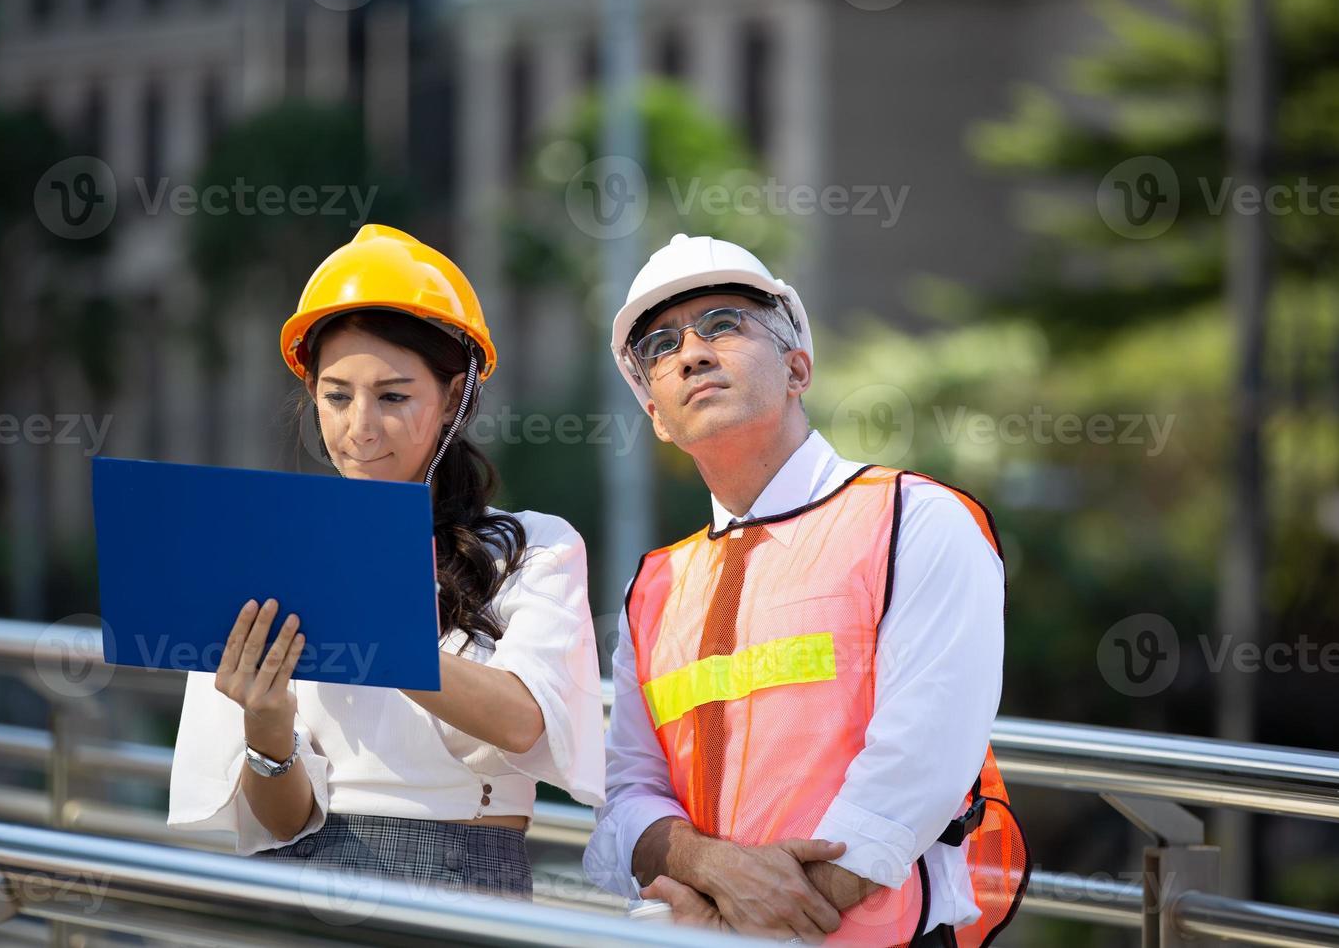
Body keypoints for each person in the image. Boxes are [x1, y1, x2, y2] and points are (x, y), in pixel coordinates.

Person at [583, 234, 1028, 946]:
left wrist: (752, 922)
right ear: (658, 417)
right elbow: (628, 799)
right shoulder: (655, 586)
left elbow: (922, 765)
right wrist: (705, 867)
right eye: (660, 346)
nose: (692, 352)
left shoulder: (915, 518)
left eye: (724, 324)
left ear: (798, 367)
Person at [167, 224, 605, 899]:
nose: (359, 426)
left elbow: (525, 721)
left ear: (453, 397)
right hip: (298, 895)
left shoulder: (531, 547)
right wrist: (266, 724)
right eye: (337, 395)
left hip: (463, 891)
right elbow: (278, 824)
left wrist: (372, 623)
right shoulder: (264, 548)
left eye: (393, 396)